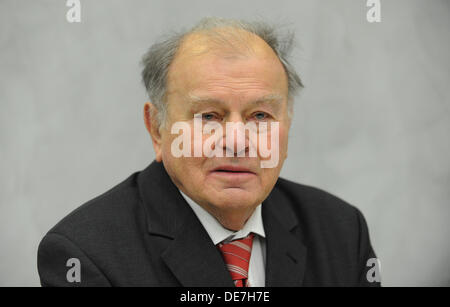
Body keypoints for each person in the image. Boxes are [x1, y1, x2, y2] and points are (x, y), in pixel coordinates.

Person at [37, 17, 380, 287]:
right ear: (157, 128)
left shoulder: (341, 230)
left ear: (287, 125)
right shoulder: (85, 255)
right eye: (209, 117)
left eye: (260, 115)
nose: (236, 141)